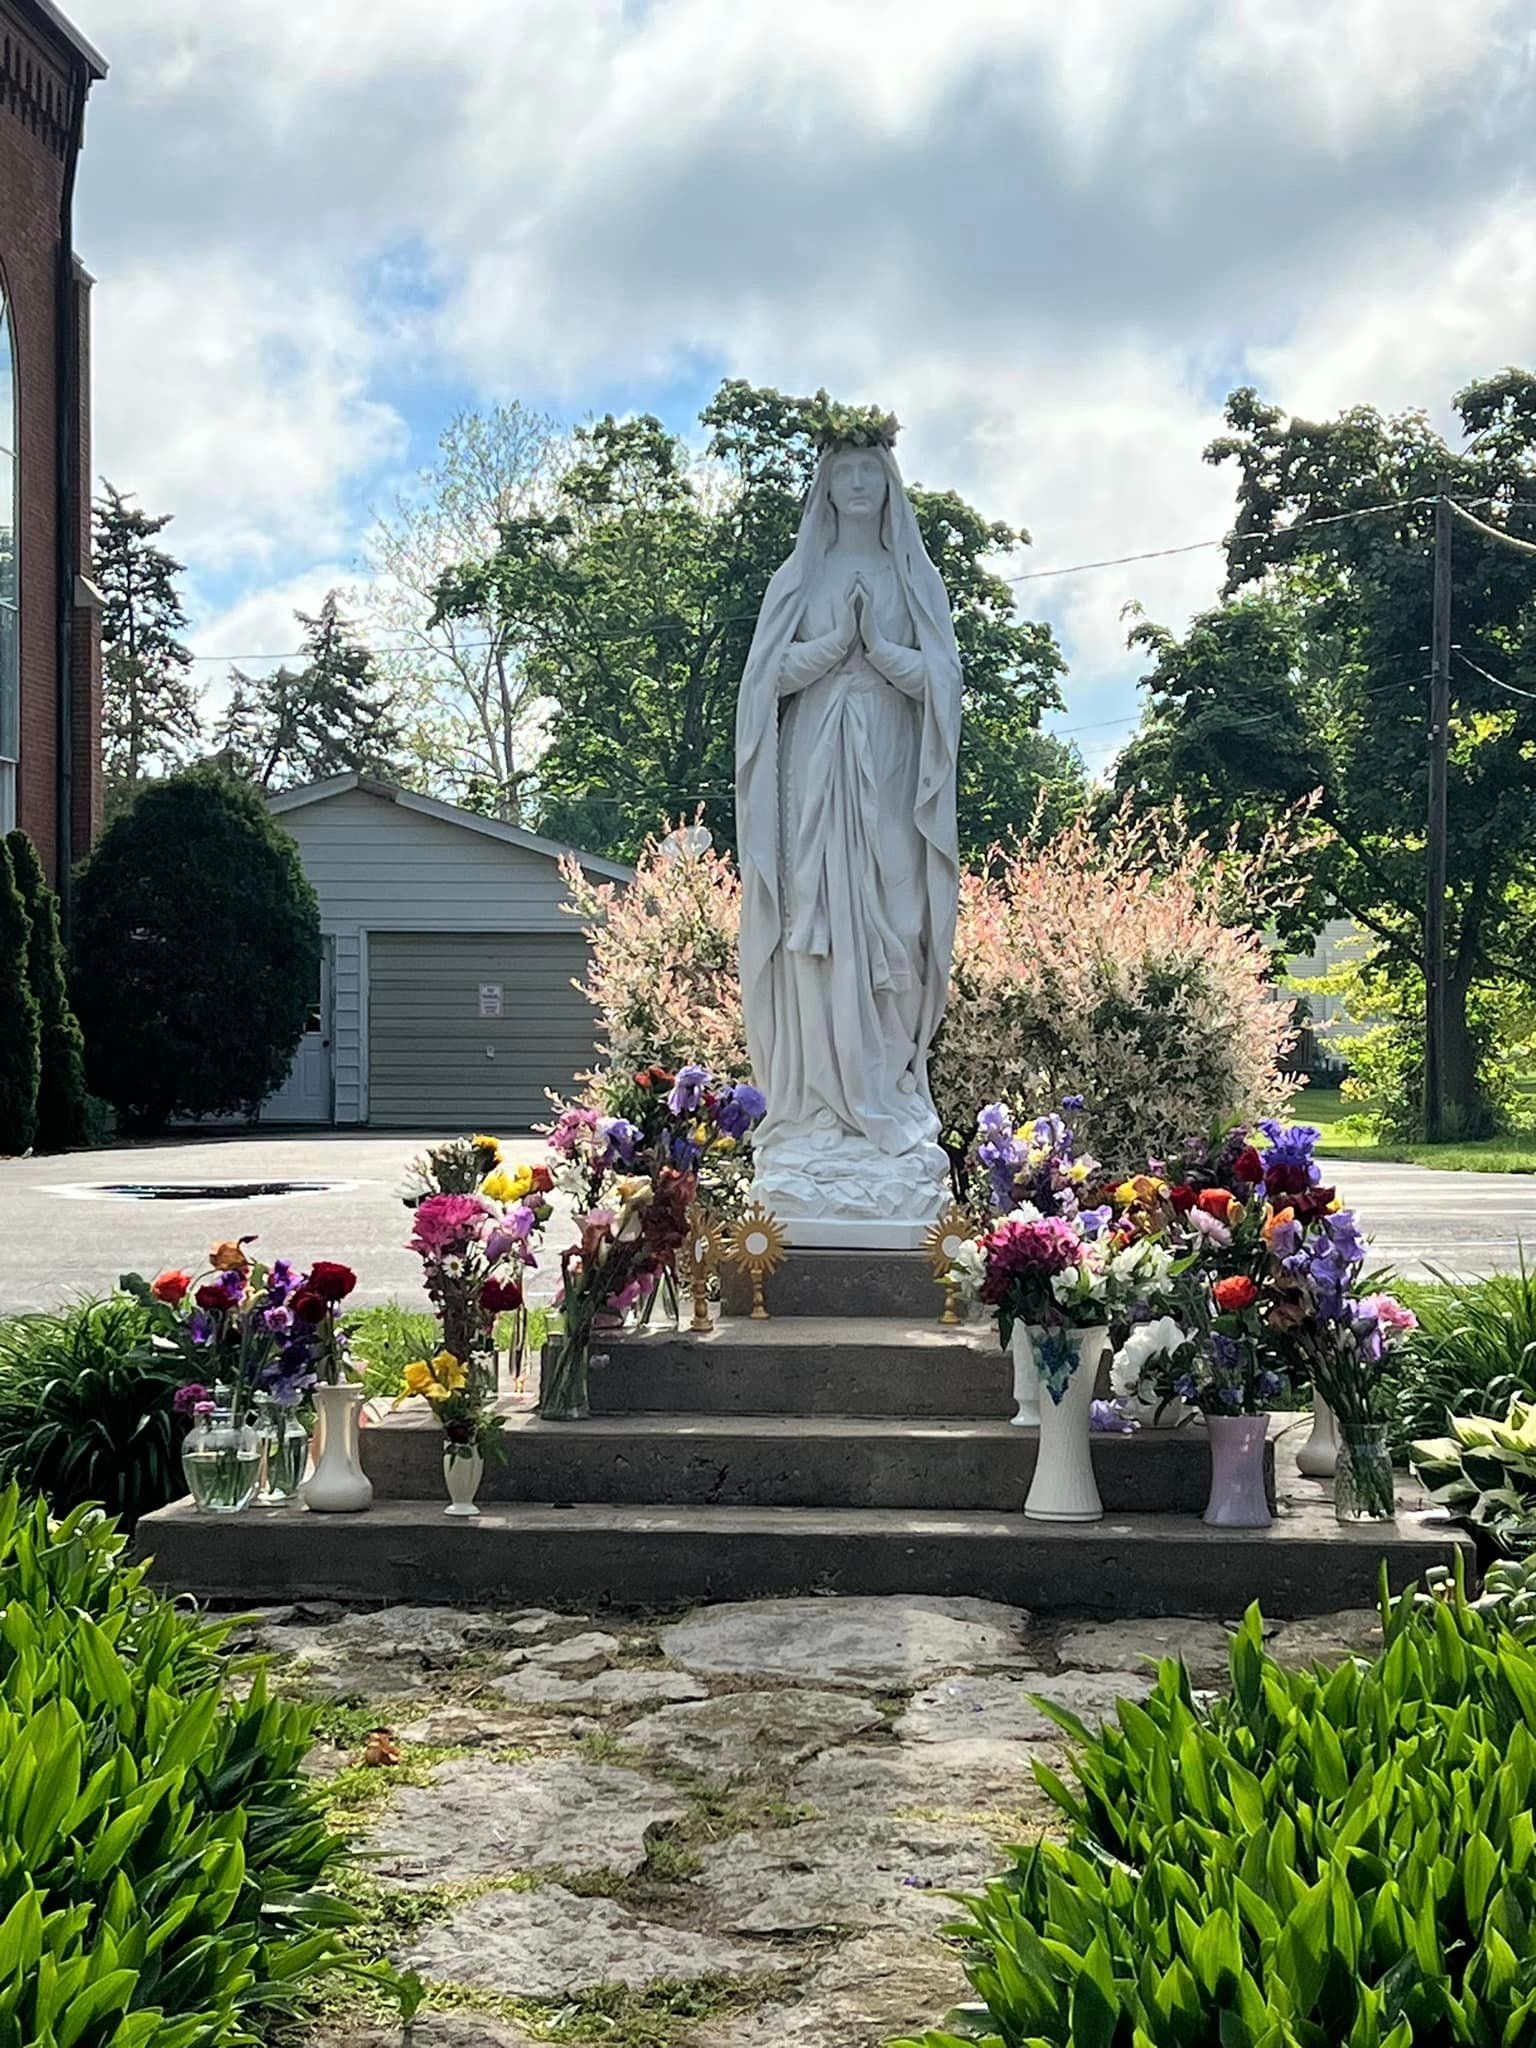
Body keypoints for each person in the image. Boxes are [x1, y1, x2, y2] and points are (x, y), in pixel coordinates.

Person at [735, 434, 962, 1228]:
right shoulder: (796, 578)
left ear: (889, 483)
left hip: (895, 761)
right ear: (826, 487)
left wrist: (882, 652)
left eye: (872, 471)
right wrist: (837, 647)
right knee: (814, 920)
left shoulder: (915, 577)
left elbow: (942, 680)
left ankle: (887, 1082)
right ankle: (817, 1102)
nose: (860, 483)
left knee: (898, 913)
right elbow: (766, 681)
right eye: (845, 473)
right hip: (815, 763)